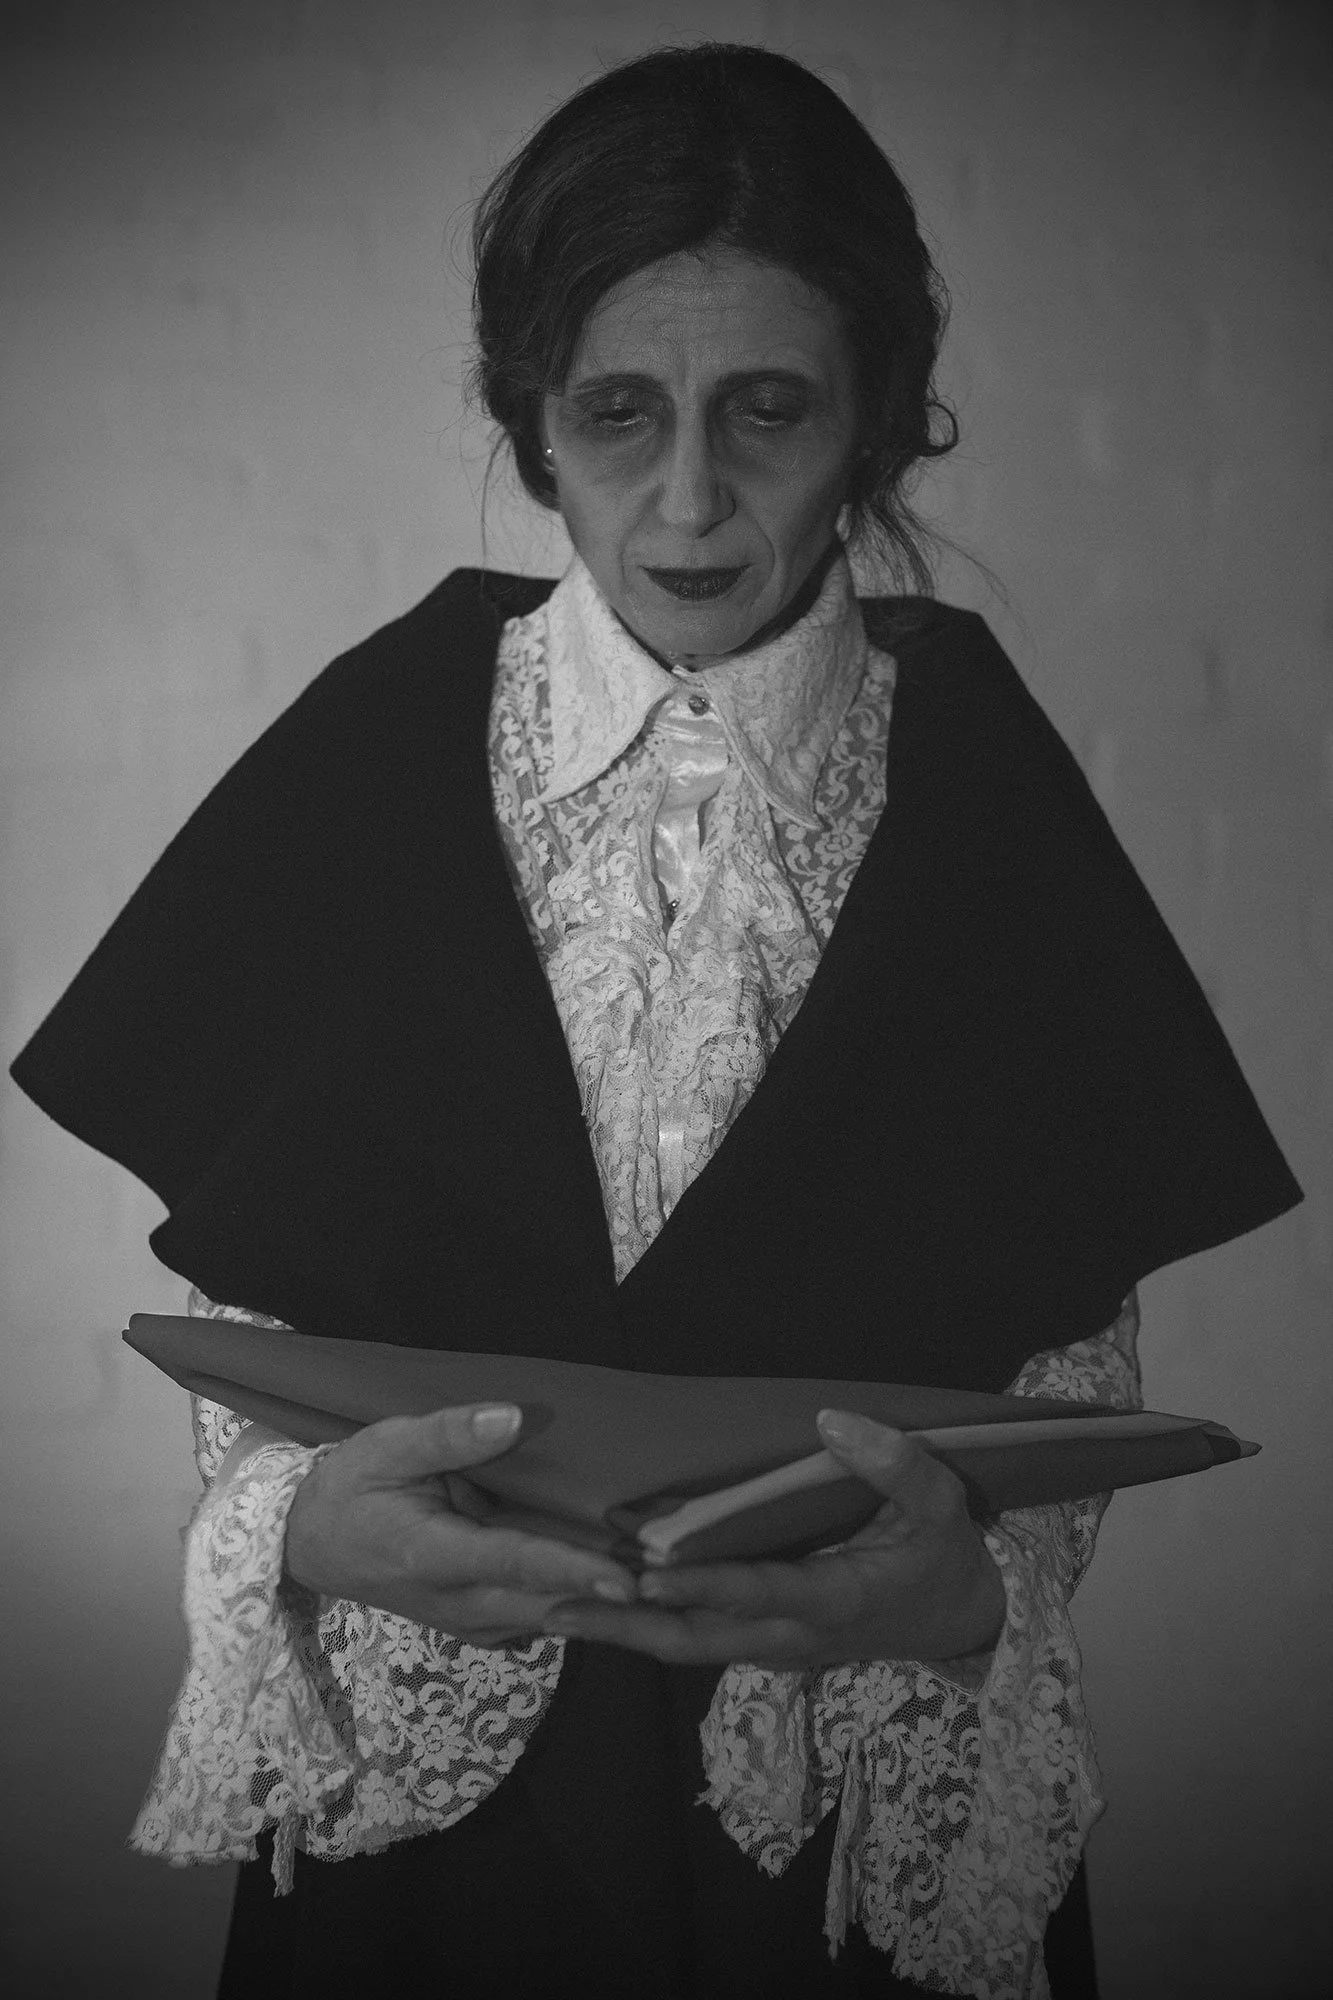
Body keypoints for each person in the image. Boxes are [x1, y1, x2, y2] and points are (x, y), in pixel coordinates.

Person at [10, 42, 1300, 2000]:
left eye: (765, 409)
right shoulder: (381, 742)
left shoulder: (979, 778)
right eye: (620, 412)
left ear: (874, 417)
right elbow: (270, 1317)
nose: (688, 498)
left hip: (838, 1832)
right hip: (423, 1838)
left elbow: (1060, 1350)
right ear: (535, 419)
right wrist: (305, 1526)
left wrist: (973, 1588)